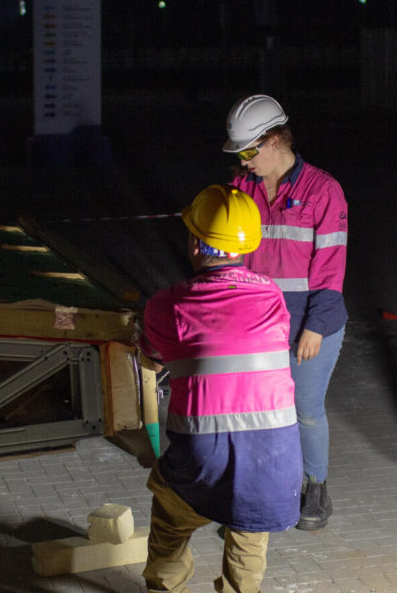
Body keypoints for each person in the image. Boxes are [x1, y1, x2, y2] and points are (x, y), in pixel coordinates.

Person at [140, 184, 301, 593]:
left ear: (196, 241)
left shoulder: (169, 305)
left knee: (170, 517)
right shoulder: (273, 297)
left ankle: (165, 583)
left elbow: (153, 358)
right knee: (248, 545)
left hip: (200, 456)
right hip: (274, 458)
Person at [220, 94, 348, 531]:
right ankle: (267, 490)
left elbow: (332, 266)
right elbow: (232, 256)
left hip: (311, 324)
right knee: (258, 410)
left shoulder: (323, 190)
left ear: (275, 140)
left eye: (249, 151)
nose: (244, 160)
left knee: (305, 409)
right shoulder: (241, 188)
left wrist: (314, 327)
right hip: (258, 326)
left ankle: (316, 488)